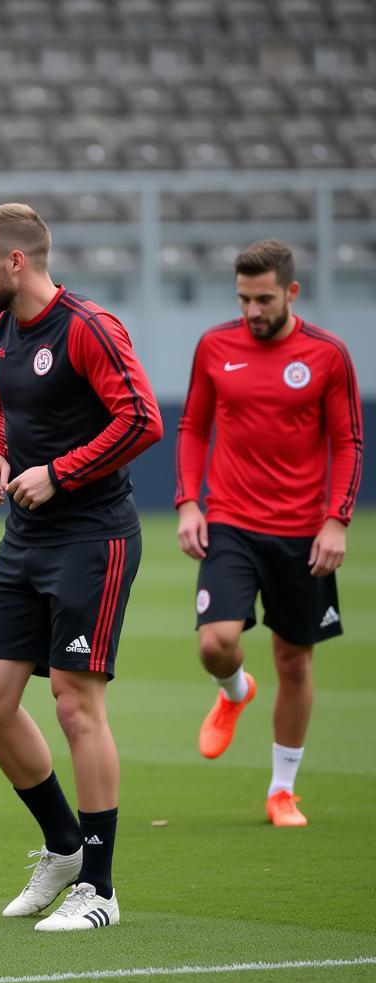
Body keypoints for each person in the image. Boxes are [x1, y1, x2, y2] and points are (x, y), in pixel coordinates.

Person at [0, 204, 162, 932]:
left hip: (93, 537)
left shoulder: (88, 327)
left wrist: (60, 473)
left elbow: (141, 418)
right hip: (26, 538)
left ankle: (100, 891)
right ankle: (63, 847)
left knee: (76, 705)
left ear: (16, 262)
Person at [175, 239, 363, 827]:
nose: (253, 311)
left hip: (304, 533)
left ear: (290, 292)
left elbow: (347, 442)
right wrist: (188, 504)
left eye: (263, 299)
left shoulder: (328, 355)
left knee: (295, 662)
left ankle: (282, 789)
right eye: (243, 299)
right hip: (230, 520)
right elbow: (194, 426)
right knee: (215, 641)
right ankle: (234, 691)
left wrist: (336, 520)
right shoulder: (214, 345)